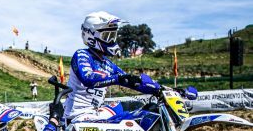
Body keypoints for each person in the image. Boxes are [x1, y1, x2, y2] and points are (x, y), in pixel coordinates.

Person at [64, 11, 197, 124]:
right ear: (91, 36)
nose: (112, 40)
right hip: (78, 116)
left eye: (113, 36)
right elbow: (88, 78)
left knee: (148, 110)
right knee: (138, 119)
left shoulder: (108, 64)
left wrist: (167, 90)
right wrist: (117, 79)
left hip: (95, 113)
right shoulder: (82, 55)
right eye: (107, 36)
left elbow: (132, 81)